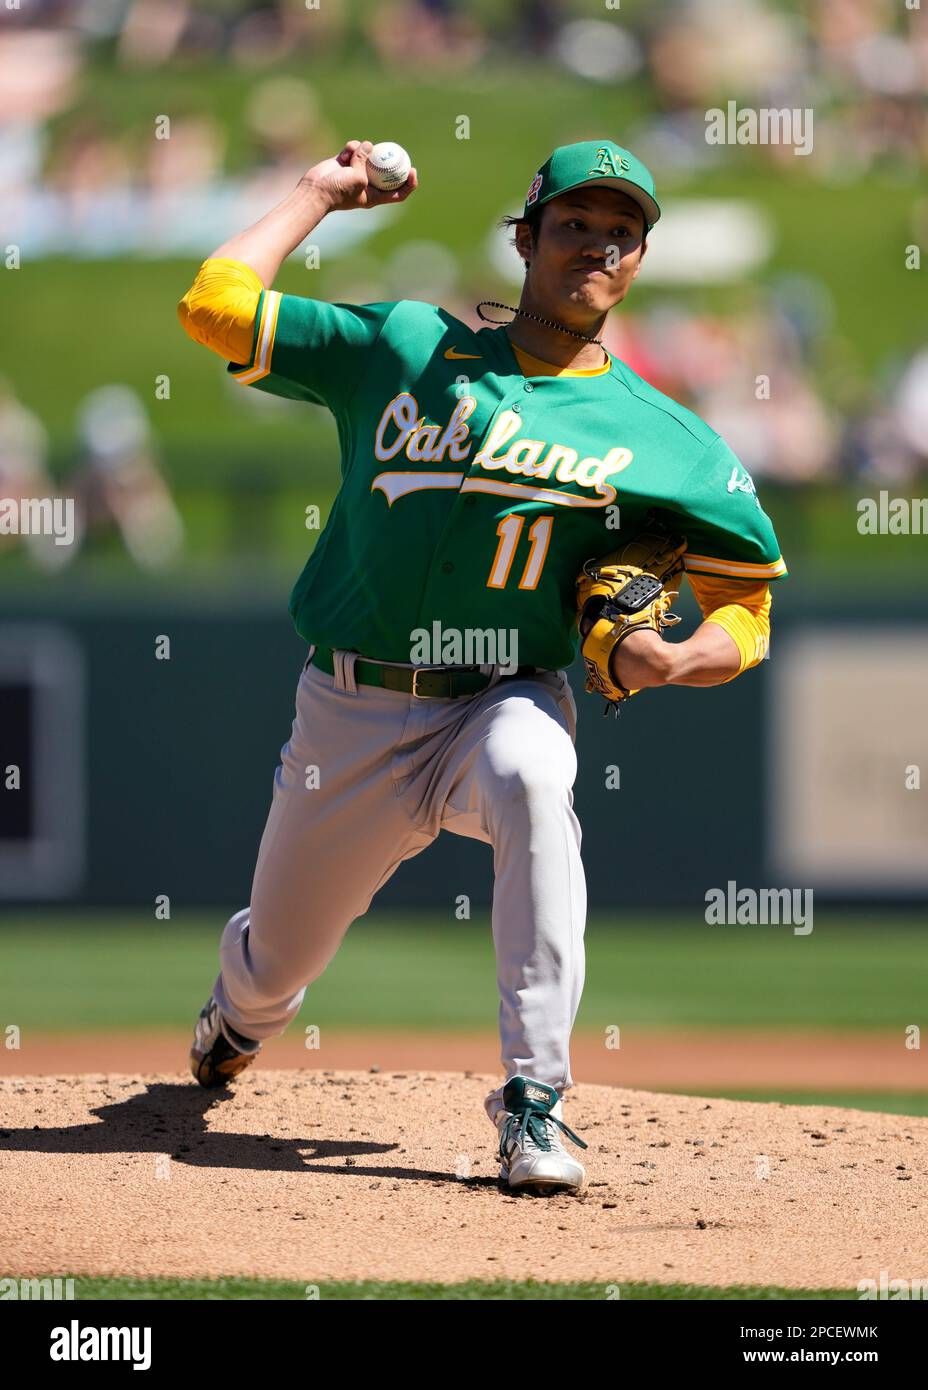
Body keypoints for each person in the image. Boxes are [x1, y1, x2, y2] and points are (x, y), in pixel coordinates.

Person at [177, 138, 786, 1196]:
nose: (595, 244)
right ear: (526, 238)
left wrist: (685, 655)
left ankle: (534, 1103)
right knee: (276, 963)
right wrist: (319, 194)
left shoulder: (668, 441)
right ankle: (237, 1016)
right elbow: (215, 308)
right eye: (573, 224)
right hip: (351, 709)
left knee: (535, 778)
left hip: (503, 698)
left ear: (638, 259)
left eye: (620, 231)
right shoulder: (407, 342)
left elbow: (748, 602)